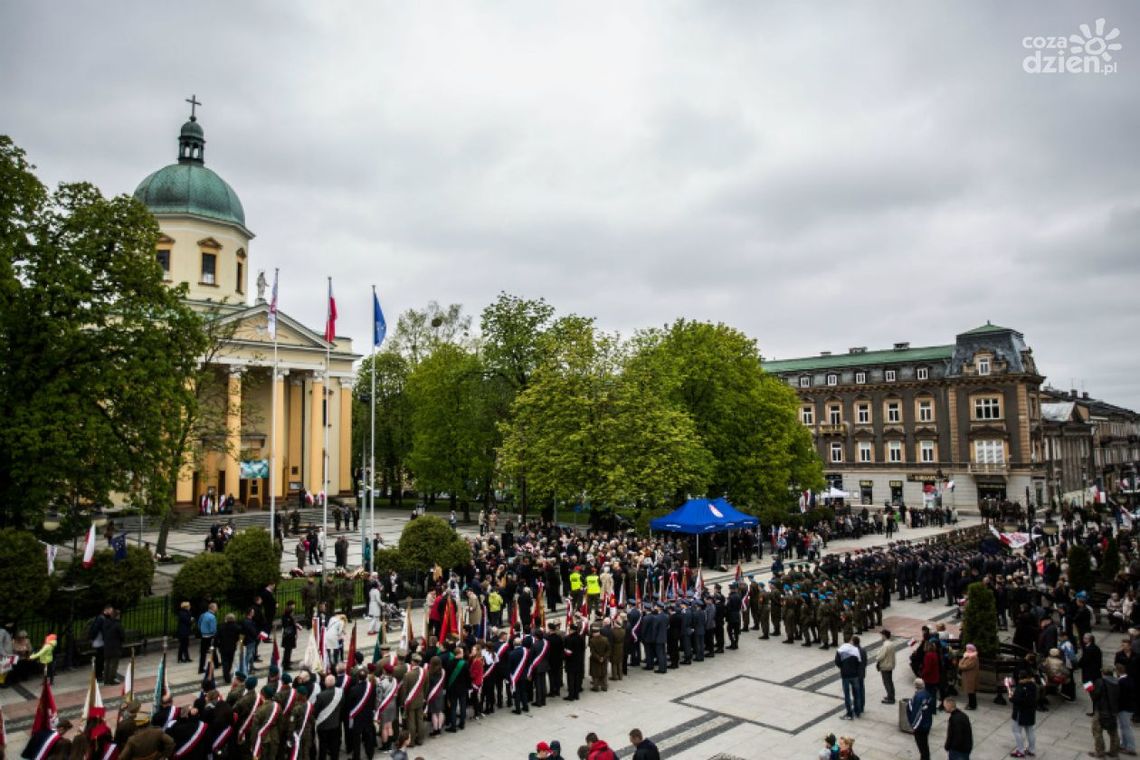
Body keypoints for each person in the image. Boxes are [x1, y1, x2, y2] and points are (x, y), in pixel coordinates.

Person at [1092, 666, 1122, 758]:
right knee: (1113, 731)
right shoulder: (1118, 682)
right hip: (1113, 711)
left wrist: (1090, 690)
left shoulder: (1100, 681)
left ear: (1103, 673)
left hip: (1101, 710)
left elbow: (1095, 696)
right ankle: (1114, 751)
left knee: (1097, 731)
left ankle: (1100, 752)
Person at [1009, 669, 1038, 758]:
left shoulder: (1021, 686)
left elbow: (1017, 700)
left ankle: (1020, 751)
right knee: (1030, 731)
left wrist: (1011, 697)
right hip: (1030, 712)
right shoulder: (1033, 685)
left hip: (1020, 712)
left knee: (1016, 731)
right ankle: (1031, 750)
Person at [907, 678, 935, 760]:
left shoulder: (918, 697)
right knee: (924, 746)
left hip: (920, 727)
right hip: (927, 724)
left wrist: (914, 726)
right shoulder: (927, 694)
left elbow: (917, 713)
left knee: (922, 747)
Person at [835, 639, 861, 720]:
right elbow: (859, 662)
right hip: (854, 675)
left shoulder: (840, 650)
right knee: (856, 693)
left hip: (845, 675)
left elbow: (837, 662)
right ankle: (857, 711)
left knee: (847, 695)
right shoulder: (855, 650)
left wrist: (842, 667)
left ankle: (849, 713)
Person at [876, 629, 896, 704]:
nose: (881, 637)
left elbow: (880, 656)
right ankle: (891, 695)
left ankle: (890, 698)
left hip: (885, 666)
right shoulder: (891, 644)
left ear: (884, 636)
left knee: (887, 682)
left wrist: (877, 657)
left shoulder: (885, 645)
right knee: (890, 681)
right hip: (890, 665)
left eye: (882, 635)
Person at [957, 644, 980, 710]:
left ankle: (972, 705)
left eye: (968, 649)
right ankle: (970, 703)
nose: (966, 650)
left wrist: (961, 663)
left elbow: (965, 666)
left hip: (971, 678)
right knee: (969, 692)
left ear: (971, 650)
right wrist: (963, 659)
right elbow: (961, 663)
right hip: (968, 677)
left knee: (971, 692)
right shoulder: (967, 656)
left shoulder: (974, 658)